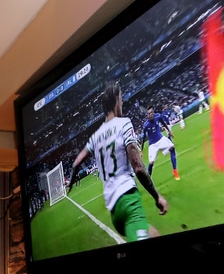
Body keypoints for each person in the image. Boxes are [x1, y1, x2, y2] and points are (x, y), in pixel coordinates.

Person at [66, 82, 169, 241]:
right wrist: (157, 196)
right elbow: (139, 168)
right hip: (128, 200)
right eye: (121, 99)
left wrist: (71, 182)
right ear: (116, 100)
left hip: (114, 211)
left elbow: (76, 163)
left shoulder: (96, 136)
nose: (122, 103)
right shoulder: (124, 124)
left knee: (153, 233)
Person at [141, 106, 180, 180]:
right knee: (151, 162)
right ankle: (148, 180)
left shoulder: (158, 116)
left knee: (172, 147)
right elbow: (143, 138)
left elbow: (164, 123)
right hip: (152, 145)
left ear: (153, 112)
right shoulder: (146, 125)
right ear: (147, 115)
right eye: (148, 114)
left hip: (161, 139)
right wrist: (141, 151)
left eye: (151, 112)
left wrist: (169, 131)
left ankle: (175, 170)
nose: (150, 114)